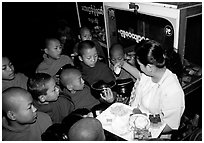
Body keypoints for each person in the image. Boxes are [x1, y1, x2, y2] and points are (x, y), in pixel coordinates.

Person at [116, 40, 185, 134]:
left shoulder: (172, 91)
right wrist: (123, 64)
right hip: (136, 120)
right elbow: (140, 76)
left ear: (149, 67)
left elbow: (171, 125)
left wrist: (144, 126)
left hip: (152, 132)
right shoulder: (151, 73)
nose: (139, 67)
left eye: (139, 65)